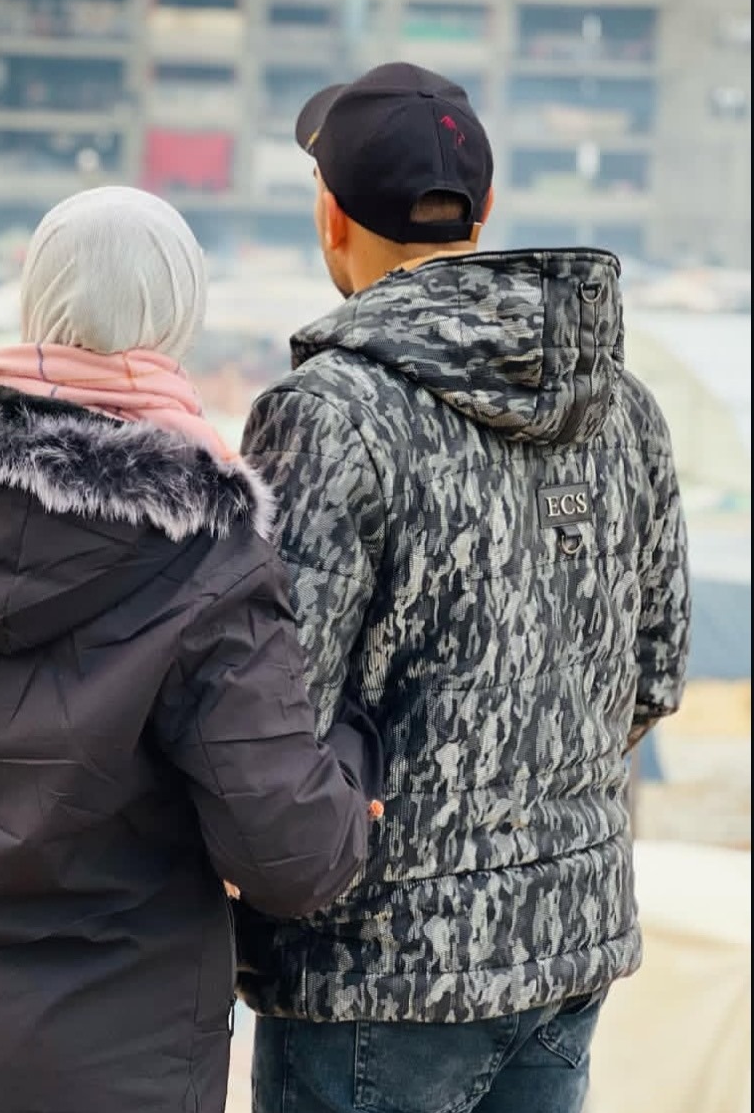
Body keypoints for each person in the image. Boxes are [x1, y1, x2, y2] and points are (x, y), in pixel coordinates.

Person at [0, 186, 384, 1113]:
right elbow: (289, 854)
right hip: (118, 1063)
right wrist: (359, 752)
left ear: (37, 300)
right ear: (177, 320)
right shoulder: (207, 551)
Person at [235, 63, 691, 1113]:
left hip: (376, 968)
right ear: (483, 211)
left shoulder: (328, 413)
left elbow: (271, 714)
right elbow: (657, 673)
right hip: (565, 940)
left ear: (330, 217)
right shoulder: (621, 405)